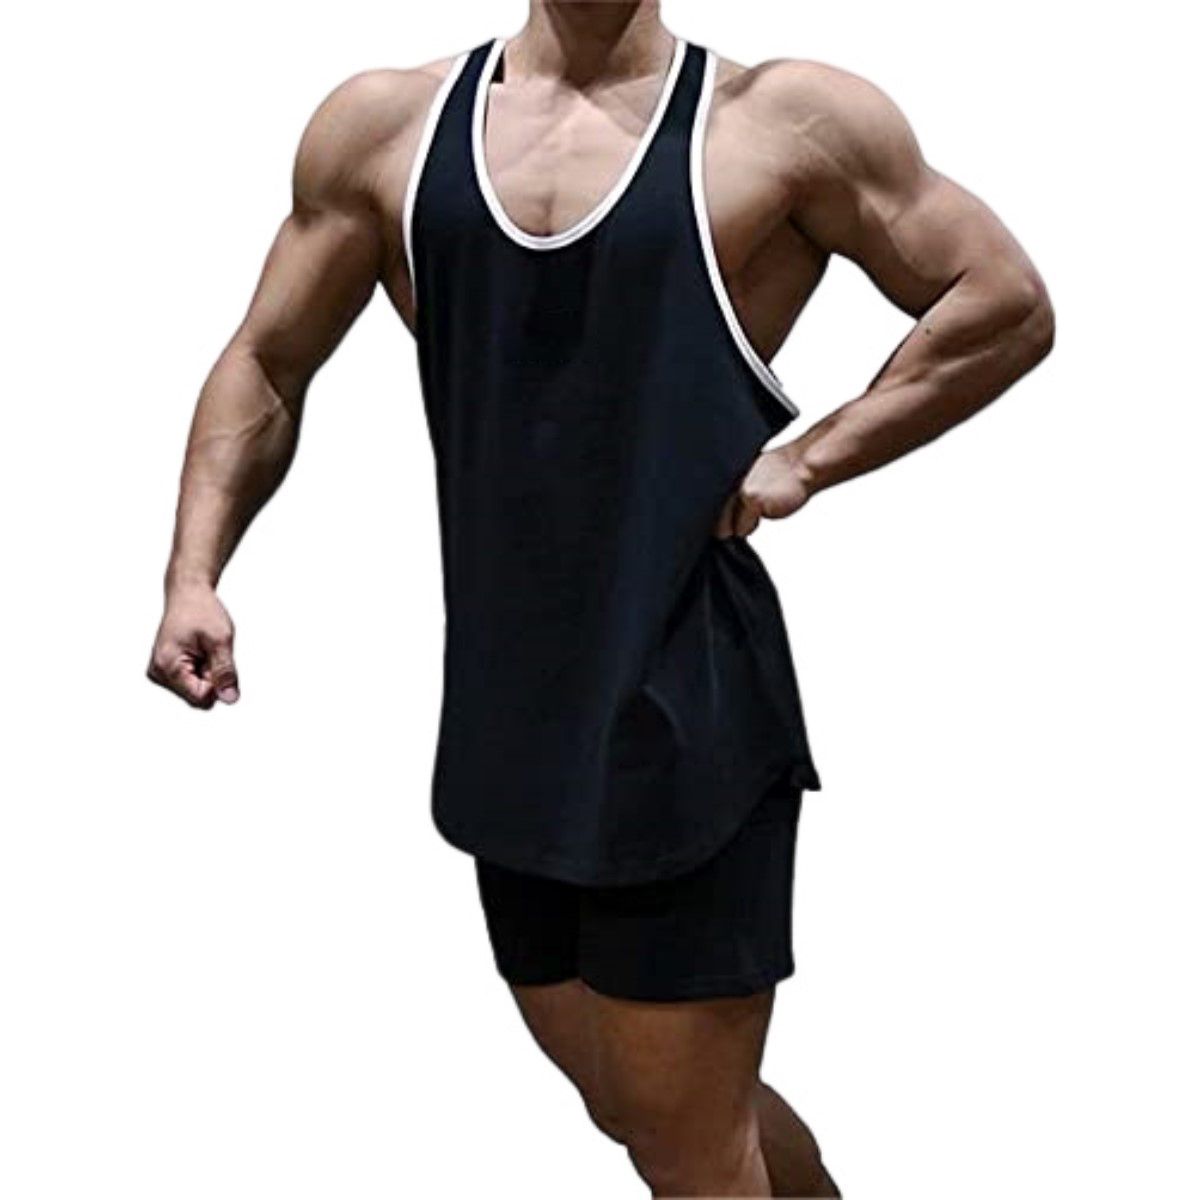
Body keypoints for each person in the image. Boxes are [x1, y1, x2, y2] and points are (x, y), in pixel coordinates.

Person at [147, 2, 1054, 1195]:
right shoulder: (386, 129)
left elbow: (1001, 301)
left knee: (687, 1143)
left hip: (685, 705)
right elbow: (268, 358)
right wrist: (194, 572)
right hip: (507, 717)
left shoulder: (783, 122)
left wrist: (813, 457)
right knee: (647, 1109)